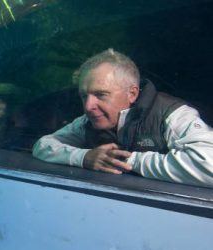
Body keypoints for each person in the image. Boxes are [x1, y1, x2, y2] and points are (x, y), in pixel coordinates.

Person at [32, 48, 213, 188]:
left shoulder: (172, 115)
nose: (88, 106)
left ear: (132, 94)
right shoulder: (87, 121)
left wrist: (128, 161)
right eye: (83, 96)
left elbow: (209, 165)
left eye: (101, 94)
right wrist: (84, 157)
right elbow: (43, 145)